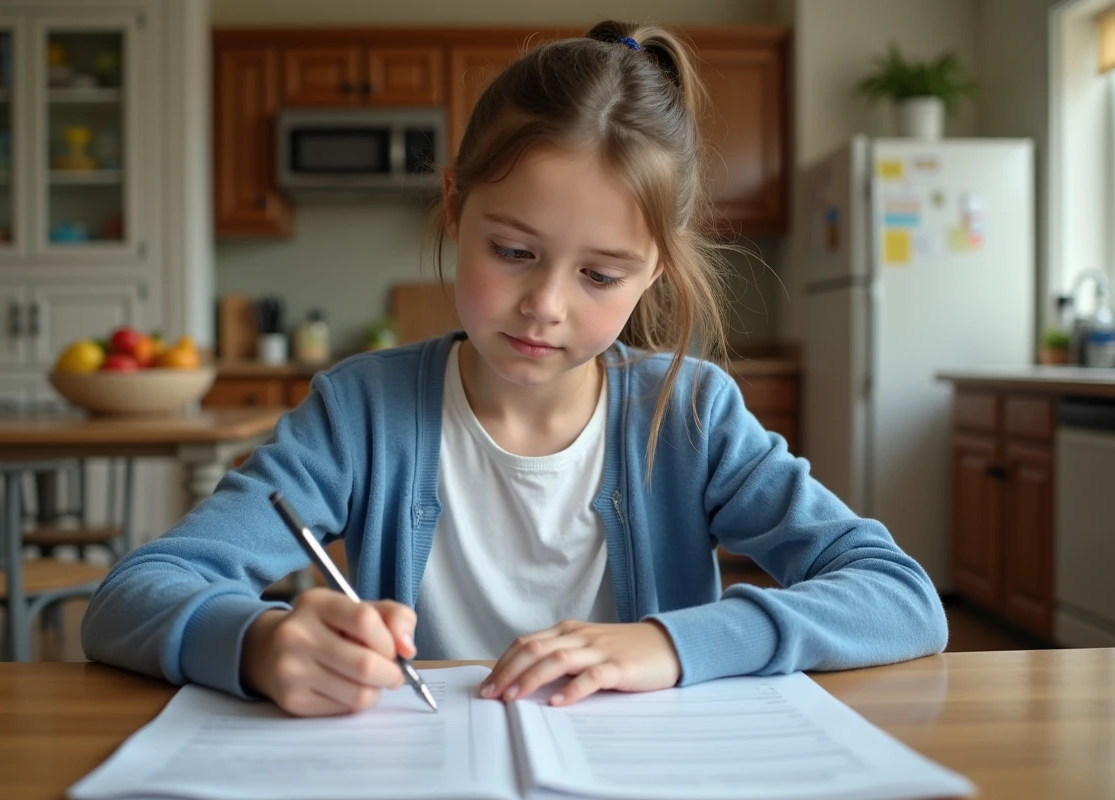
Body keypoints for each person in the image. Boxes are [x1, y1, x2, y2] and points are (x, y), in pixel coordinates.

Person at [82, 21, 947, 717]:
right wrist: (257, 644)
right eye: (513, 250)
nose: (546, 305)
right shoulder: (361, 413)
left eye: (600, 275)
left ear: (655, 270)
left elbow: (900, 597)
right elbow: (131, 596)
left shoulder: (687, 415)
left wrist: (675, 645)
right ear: (456, 206)